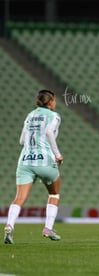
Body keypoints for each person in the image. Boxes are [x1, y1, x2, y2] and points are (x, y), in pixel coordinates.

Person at [4, 90, 63, 244]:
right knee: (54, 194)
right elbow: (49, 132)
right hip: (44, 160)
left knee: (19, 198)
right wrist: (57, 155)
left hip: (25, 160)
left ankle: (9, 226)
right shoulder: (54, 116)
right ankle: (48, 228)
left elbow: (22, 140)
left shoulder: (30, 116)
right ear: (50, 102)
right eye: (54, 101)